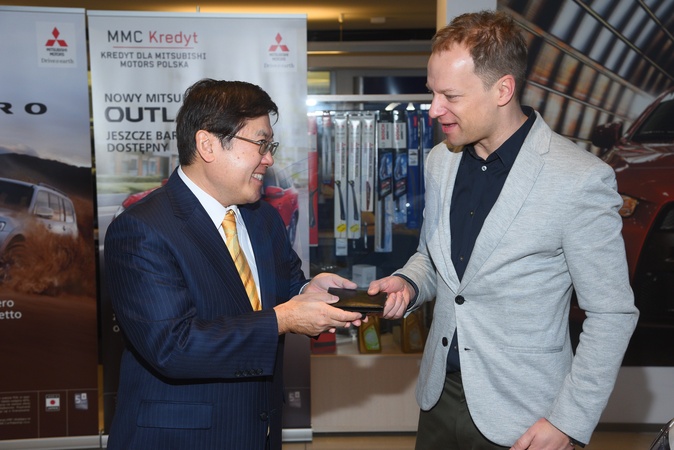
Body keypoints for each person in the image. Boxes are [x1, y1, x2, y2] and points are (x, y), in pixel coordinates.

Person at [369, 10, 639, 450]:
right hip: (438, 398)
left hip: (527, 416)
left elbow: (612, 315)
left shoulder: (579, 179)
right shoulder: (440, 162)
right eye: (432, 92)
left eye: (450, 95)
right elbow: (434, 260)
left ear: (503, 90)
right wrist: (409, 282)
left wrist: (568, 422)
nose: (434, 109)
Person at [104, 78, 364, 450]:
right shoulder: (142, 228)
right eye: (260, 143)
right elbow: (173, 347)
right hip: (178, 439)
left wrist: (309, 290)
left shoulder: (263, 218)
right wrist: (283, 319)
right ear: (208, 144)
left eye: (270, 145)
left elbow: (284, 285)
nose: (268, 158)